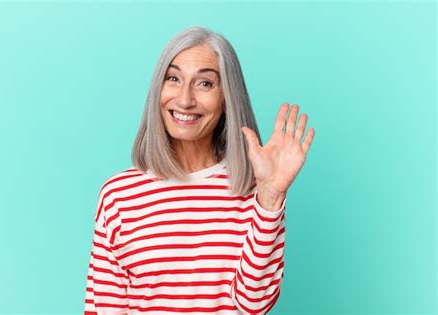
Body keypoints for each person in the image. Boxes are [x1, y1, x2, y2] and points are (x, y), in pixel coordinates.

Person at [84, 25, 315, 314]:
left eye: (204, 83)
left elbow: (254, 305)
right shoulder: (120, 195)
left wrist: (269, 198)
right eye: (173, 78)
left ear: (227, 99)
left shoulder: (254, 191)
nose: (184, 99)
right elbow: (104, 308)